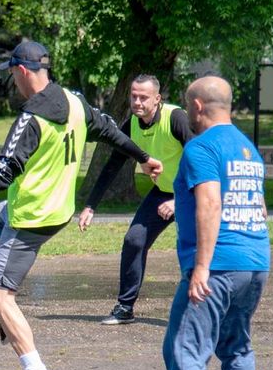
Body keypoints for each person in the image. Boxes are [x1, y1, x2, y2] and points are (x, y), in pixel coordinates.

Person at [0, 41, 162, 370]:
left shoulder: (30, 118)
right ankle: (7, 316)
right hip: (50, 207)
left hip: (31, 216)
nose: (12, 81)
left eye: (11, 74)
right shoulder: (75, 102)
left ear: (22, 71)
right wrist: (144, 157)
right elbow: (112, 131)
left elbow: (3, 176)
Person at [150, 75, 270, 370]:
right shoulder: (247, 149)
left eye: (188, 107)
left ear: (198, 107)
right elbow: (260, 208)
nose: (187, 114)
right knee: (236, 343)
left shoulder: (201, 148)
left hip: (218, 265)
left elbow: (209, 205)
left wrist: (201, 266)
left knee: (183, 347)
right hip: (255, 262)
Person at [78, 74, 193, 324]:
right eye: (134, 96)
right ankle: (125, 307)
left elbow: (200, 160)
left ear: (157, 99)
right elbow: (112, 166)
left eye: (143, 97)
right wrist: (90, 205)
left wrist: (180, 199)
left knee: (196, 250)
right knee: (134, 240)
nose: (137, 102)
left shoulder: (176, 118)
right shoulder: (131, 124)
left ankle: (204, 311)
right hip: (162, 192)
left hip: (193, 193)